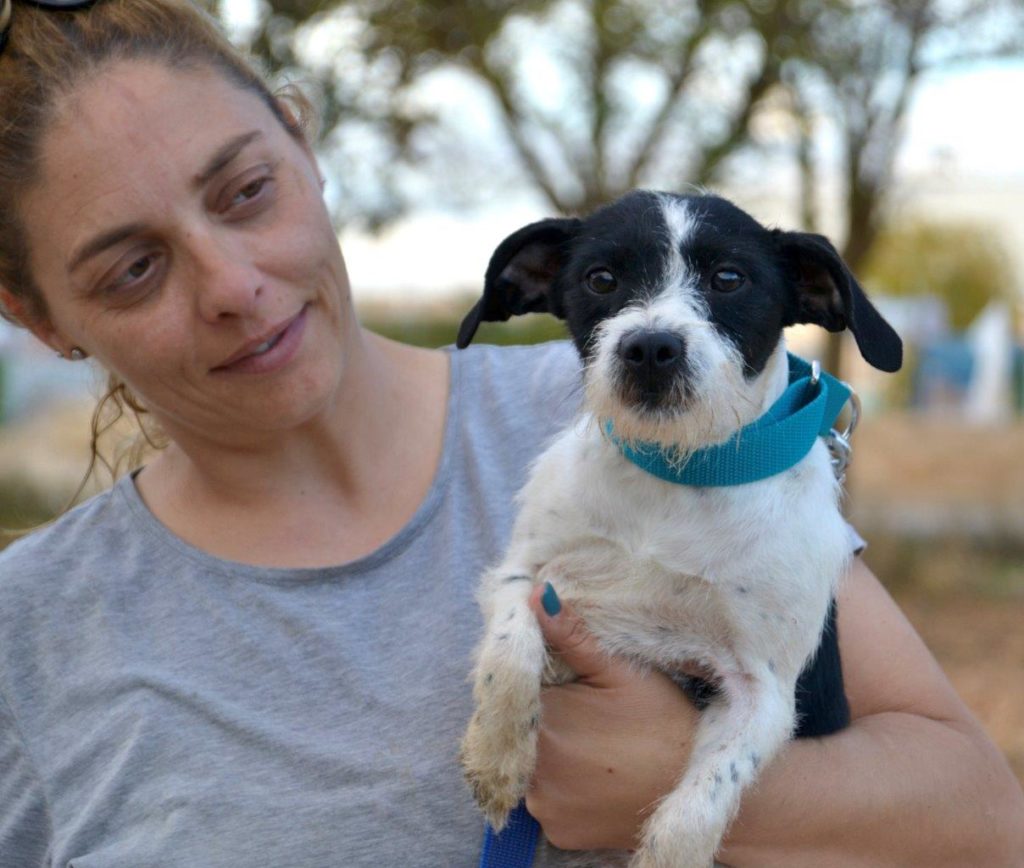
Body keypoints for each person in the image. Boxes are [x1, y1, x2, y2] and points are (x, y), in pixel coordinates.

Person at [0, 1, 1020, 865]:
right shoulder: (29, 633)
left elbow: (985, 813)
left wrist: (690, 789)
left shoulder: (641, 424)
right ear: (37, 318)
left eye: (245, 190)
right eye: (132, 268)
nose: (232, 286)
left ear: (303, 143)